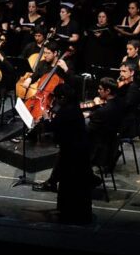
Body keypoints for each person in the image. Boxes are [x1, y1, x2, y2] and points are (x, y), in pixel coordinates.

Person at [31, 83, 95, 224]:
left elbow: (52, 127)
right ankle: (72, 211)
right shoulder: (73, 108)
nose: (56, 101)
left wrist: (46, 117)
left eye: (58, 98)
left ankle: (70, 213)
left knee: (69, 183)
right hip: (78, 150)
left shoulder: (67, 111)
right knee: (71, 182)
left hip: (73, 152)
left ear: (63, 98)